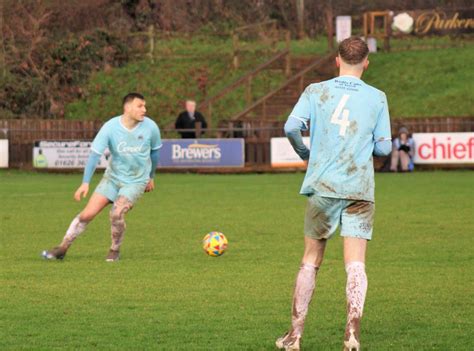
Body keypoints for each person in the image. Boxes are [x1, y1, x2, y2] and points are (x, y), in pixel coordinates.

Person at [276, 37, 392, 351]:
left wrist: (305, 152)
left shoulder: (316, 91)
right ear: (366, 63)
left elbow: (291, 127)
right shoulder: (377, 97)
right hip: (359, 188)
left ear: (336, 60)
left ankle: (295, 336)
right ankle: (352, 335)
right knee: (355, 264)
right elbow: (384, 147)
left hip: (324, 185)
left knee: (310, 260)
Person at [42, 93, 162, 262]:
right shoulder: (110, 127)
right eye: (140, 106)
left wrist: (151, 176)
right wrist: (85, 183)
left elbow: (155, 152)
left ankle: (114, 250)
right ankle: (62, 247)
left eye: (144, 106)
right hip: (112, 178)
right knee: (86, 214)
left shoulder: (151, 127)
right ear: (127, 108)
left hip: (136, 181)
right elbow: (94, 155)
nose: (144, 109)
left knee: (116, 213)